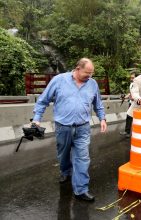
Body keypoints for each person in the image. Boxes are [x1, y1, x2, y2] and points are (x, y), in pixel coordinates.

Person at [32, 58, 107, 202]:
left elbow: (98, 103)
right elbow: (43, 100)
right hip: (63, 127)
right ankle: (65, 171)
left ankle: (81, 190)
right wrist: (36, 118)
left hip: (83, 127)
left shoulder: (92, 84)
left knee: (82, 158)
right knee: (63, 154)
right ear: (77, 68)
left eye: (91, 73)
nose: (89, 76)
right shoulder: (59, 80)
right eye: (87, 73)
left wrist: (102, 118)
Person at [120, 73, 135, 137]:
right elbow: (130, 93)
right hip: (131, 103)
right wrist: (124, 97)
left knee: (132, 118)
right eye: (131, 77)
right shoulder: (131, 84)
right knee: (129, 117)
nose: (131, 79)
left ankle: (129, 132)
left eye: (133, 77)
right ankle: (127, 132)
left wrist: (133, 97)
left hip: (136, 104)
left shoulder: (138, 84)